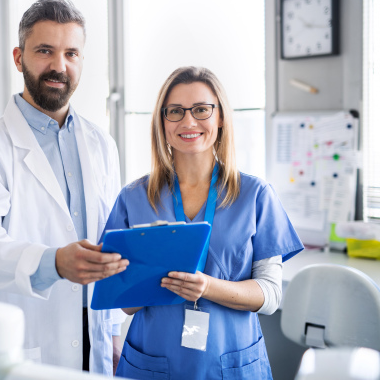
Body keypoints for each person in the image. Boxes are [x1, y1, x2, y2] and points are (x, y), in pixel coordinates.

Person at [0, 0, 128, 376]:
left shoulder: (102, 145)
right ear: (19, 58)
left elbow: (112, 242)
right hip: (28, 335)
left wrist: (114, 332)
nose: (59, 66)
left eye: (71, 53)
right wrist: (53, 262)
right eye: (45, 51)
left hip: (94, 334)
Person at [103, 66, 304, 379]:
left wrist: (207, 286)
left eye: (201, 109)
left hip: (231, 361)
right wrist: (146, 269)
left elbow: (270, 295)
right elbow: (124, 304)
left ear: (220, 117)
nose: (188, 121)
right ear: (162, 121)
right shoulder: (133, 198)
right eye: (175, 111)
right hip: (153, 360)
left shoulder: (255, 195)